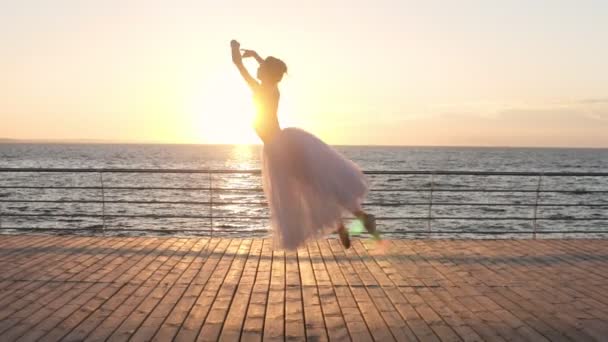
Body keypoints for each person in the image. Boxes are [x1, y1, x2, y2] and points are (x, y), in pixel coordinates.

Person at [230, 39, 379, 250]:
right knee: (313, 185)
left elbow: (238, 65)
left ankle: (348, 223)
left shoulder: (262, 89)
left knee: (309, 186)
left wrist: (234, 47)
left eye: (261, 68)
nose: (258, 69)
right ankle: (352, 221)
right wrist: (256, 56)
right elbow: (271, 68)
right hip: (282, 144)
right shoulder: (271, 87)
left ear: (266, 73)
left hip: (279, 148)